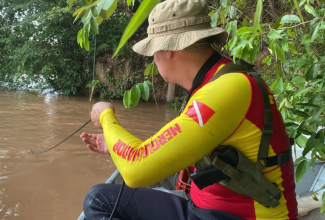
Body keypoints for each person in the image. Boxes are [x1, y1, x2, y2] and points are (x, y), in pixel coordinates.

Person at [80, 0, 298, 219]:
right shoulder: (220, 78)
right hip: (211, 209)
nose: (153, 60)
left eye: (152, 52)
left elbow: (135, 170)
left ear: (168, 50)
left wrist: (106, 116)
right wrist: (115, 144)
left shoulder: (225, 90)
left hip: (235, 215)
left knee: (99, 200)